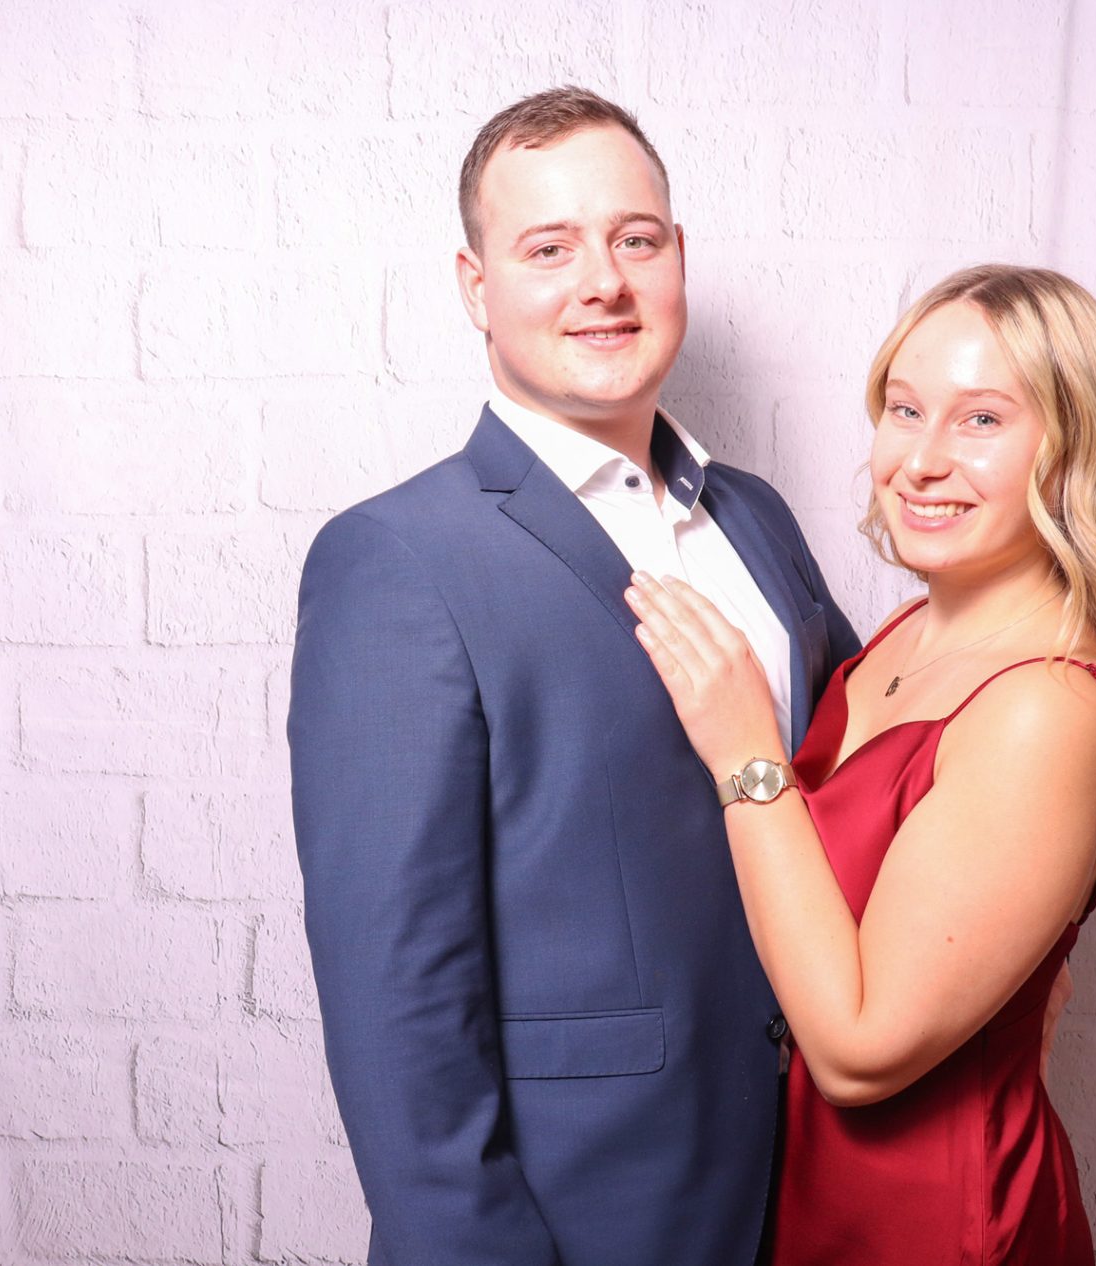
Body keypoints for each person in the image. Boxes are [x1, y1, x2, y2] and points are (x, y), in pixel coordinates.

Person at [286, 87, 866, 1266]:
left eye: (634, 239)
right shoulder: (395, 560)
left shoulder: (756, 517)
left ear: (677, 259)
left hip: (824, 1189)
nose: (603, 281)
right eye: (548, 249)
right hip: (588, 1218)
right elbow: (396, 999)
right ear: (475, 286)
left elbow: (874, 787)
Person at [624, 264, 1096, 1264]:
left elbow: (857, 1053)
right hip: (808, 1200)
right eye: (905, 408)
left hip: (933, 1225)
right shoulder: (903, 634)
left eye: (982, 420)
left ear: (1073, 449)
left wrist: (746, 754)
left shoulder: (1046, 706)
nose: (922, 461)